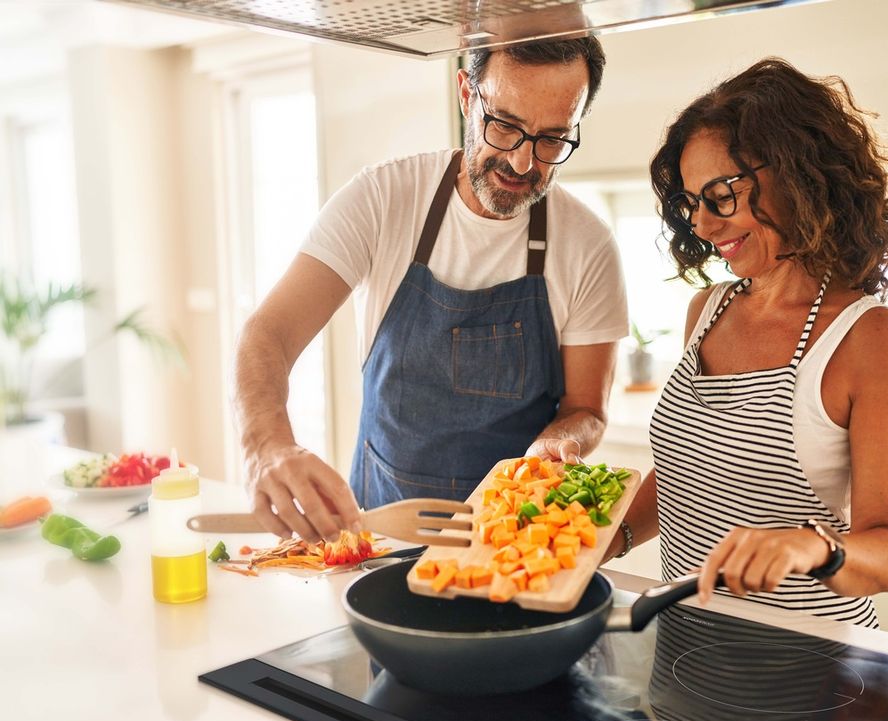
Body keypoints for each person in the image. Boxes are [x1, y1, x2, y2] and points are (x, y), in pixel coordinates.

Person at [233, 37, 628, 543]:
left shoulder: (588, 245)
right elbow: (268, 335)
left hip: (509, 543)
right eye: (504, 126)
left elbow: (586, 410)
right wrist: (267, 447)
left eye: (552, 139)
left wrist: (558, 443)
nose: (524, 163)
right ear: (466, 94)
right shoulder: (382, 199)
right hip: (376, 534)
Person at [613, 58, 888, 627]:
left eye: (722, 195)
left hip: (813, 664)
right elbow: (692, 474)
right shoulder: (707, 310)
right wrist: (604, 535)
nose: (704, 226)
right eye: (692, 203)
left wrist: (813, 546)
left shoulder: (873, 339)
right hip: (688, 643)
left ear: (798, 174)